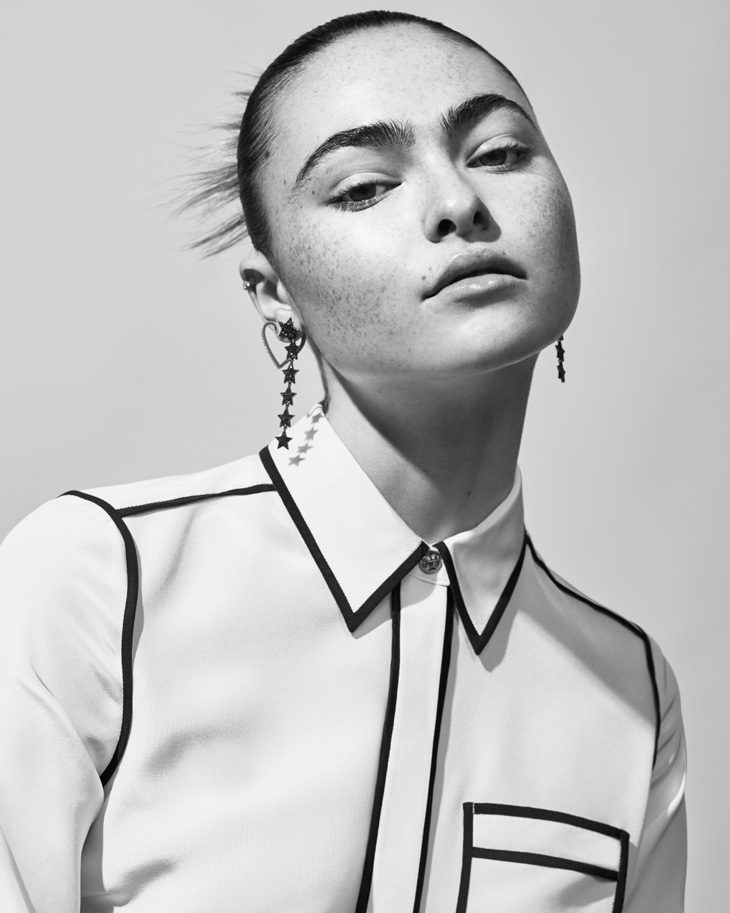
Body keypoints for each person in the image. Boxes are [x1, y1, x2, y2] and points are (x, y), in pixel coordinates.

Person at [0, 10, 687, 912]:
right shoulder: (97, 582)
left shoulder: (631, 692)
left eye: (500, 153)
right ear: (275, 295)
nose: (458, 203)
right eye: (364, 188)